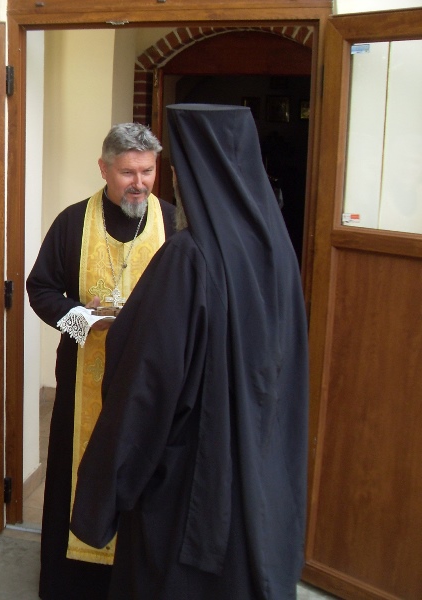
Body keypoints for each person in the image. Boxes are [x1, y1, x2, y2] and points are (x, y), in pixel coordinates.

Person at [70, 104, 309, 599]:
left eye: (162, 169)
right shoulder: (276, 249)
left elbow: (146, 386)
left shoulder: (188, 256)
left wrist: (106, 491)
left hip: (194, 481)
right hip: (259, 467)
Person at [26, 122, 176, 599]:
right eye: (128, 172)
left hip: (151, 383)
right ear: (104, 169)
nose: (139, 183)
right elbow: (41, 289)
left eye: (147, 171)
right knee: (78, 467)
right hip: (84, 377)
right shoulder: (73, 222)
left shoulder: (174, 224)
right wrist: (82, 320)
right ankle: (74, 583)